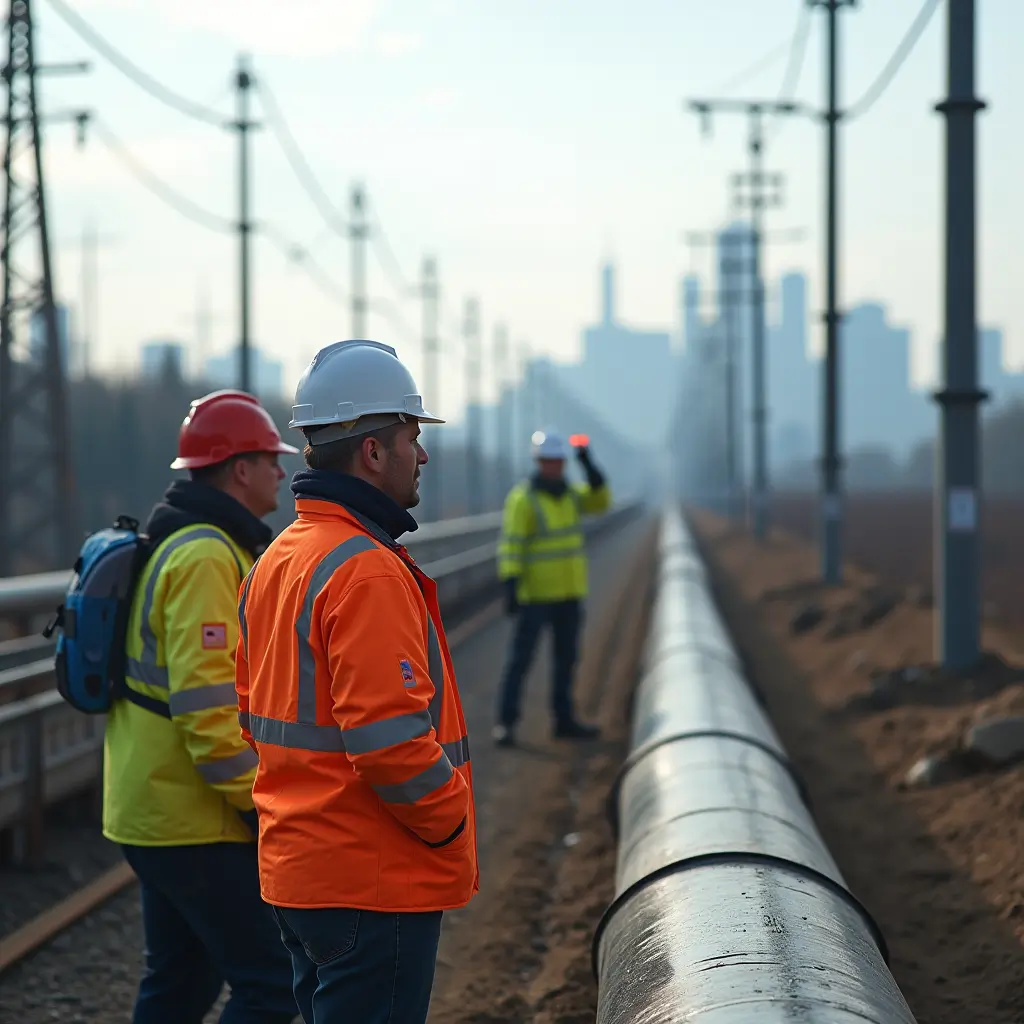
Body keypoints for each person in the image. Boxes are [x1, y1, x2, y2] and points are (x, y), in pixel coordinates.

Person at [235, 339, 478, 1024]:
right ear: (374, 453)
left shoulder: (279, 558)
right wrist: (450, 818)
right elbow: (391, 744)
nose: (422, 454)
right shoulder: (364, 570)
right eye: (411, 437)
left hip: (301, 872)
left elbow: (251, 713)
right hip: (372, 880)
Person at [102, 390, 300, 1024]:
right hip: (193, 817)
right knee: (272, 983)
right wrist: (262, 804)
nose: (281, 471)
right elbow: (209, 714)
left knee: (180, 983)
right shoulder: (207, 557)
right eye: (271, 459)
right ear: (238, 468)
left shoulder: (196, 543)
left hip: (159, 806)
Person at [492, 429, 612, 747]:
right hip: (535, 596)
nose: (554, 466)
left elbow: (601, 501)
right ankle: (506, 723)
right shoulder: (523, 499)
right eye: (548, 461)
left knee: (567, 660)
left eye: (559, 461)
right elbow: (511, 544)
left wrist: (588, 463)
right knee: (520, 661)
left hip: (569, 593)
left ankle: (564, 720)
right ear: (538, 461)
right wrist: (511, 583)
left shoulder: (572, 494)